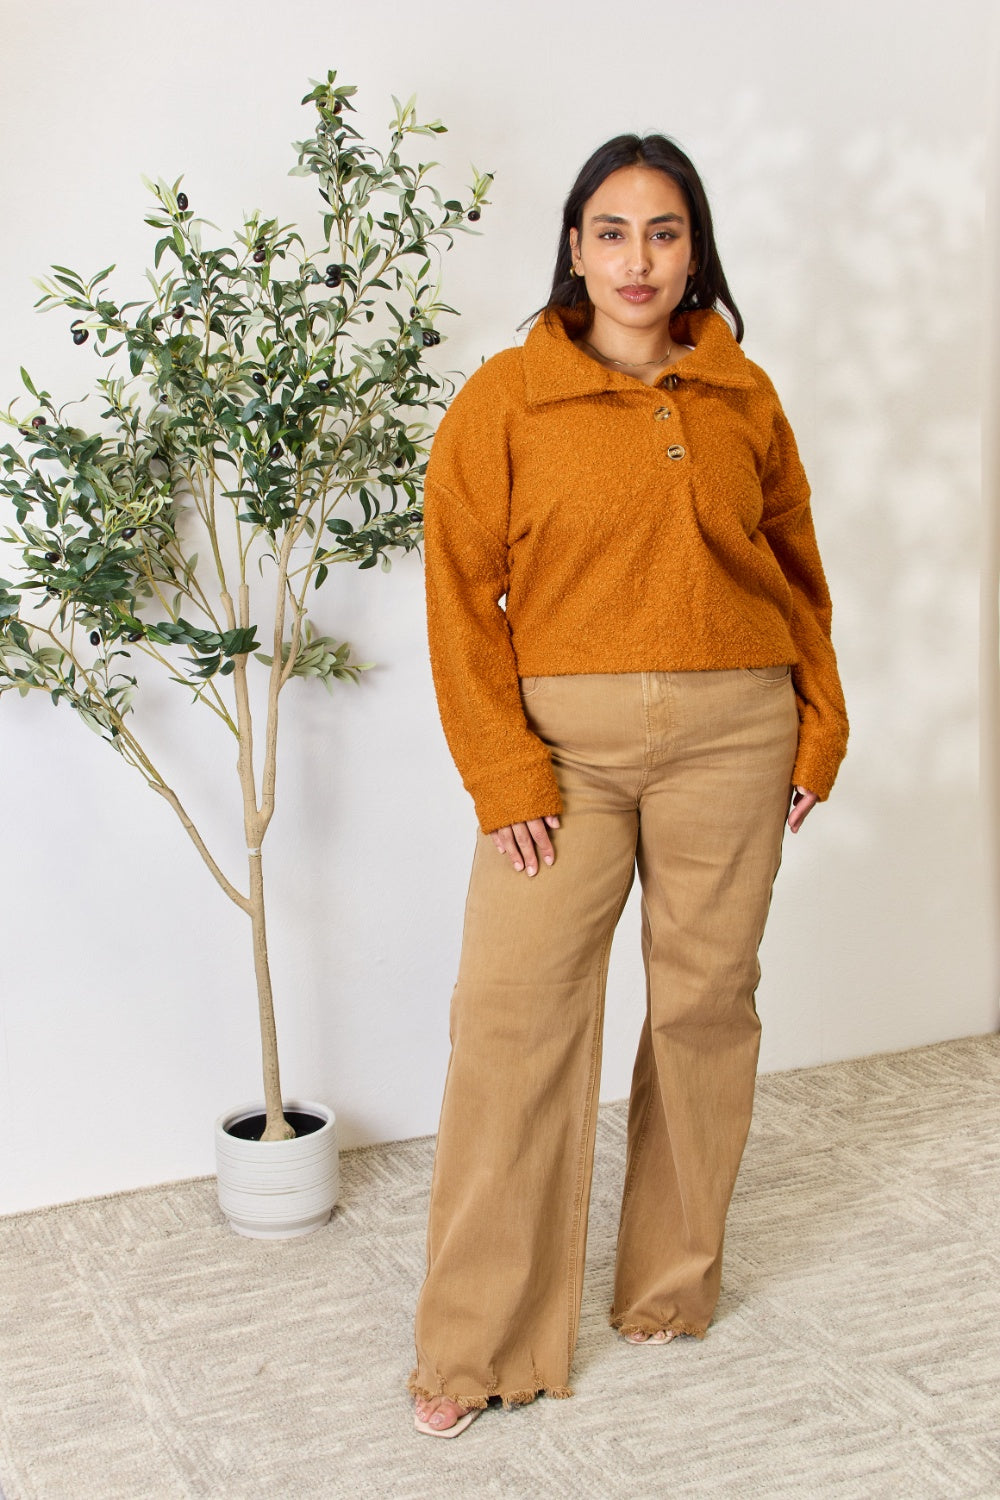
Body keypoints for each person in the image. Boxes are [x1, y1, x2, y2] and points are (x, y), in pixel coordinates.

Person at [409, 133, 848, 1438]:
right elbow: (455, 593)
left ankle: (667, 1288)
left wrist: (817, 728)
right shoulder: (507, 397)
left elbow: (796, 573)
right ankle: (476, 1347)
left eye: (663, 232)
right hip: (563, 759)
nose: (637, 259)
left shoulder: (744, 397)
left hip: (736, 733)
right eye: (612, 231)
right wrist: (502, 772)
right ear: (574, 246)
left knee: (708, 1006)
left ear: (695, 248)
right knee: (512, 1021)